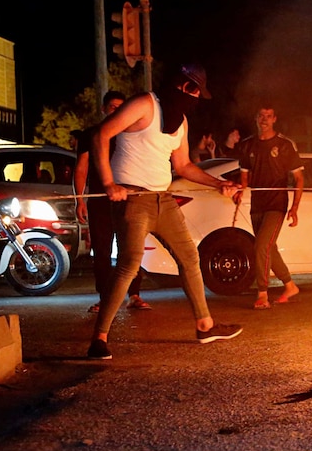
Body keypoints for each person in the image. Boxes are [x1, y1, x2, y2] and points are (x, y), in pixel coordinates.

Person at [86, 63, 242, 360]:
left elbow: (183, 166)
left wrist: (218, 184)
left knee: (189, 256)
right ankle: (99, 338)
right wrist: (109, 183)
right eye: (195, 90)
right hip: (133, 198)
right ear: (183, 85)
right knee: (129, 265)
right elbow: (101, 136)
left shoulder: (180, 122)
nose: (195, 98)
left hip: (163, 199)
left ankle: (205, 325)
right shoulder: (144, 104)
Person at [75, 90, 152, 314]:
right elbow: (82, 168)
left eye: (121, 107)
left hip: (128, 201)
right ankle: (105, 297)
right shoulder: (91, 135)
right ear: (103, 109)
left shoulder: (131, 135)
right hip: (100, 202)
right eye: (112, 107)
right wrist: (80, 199)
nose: (116, 111)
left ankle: (135, 294)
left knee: (131, 247)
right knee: (101, 250)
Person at [235, 106, 304, 310]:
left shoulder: (285, 145)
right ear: (256, 118)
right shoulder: (247, 146)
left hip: (276, 203)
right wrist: (239, 190)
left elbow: (299, 178)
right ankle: (290, 286)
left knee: (261, 245)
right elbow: (245, 177)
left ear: (274, 119)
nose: (264, 119)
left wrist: (295, 207)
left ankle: (262, 293)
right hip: (257, 203)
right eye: (261, 116)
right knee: (268, 248)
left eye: (268, 116)